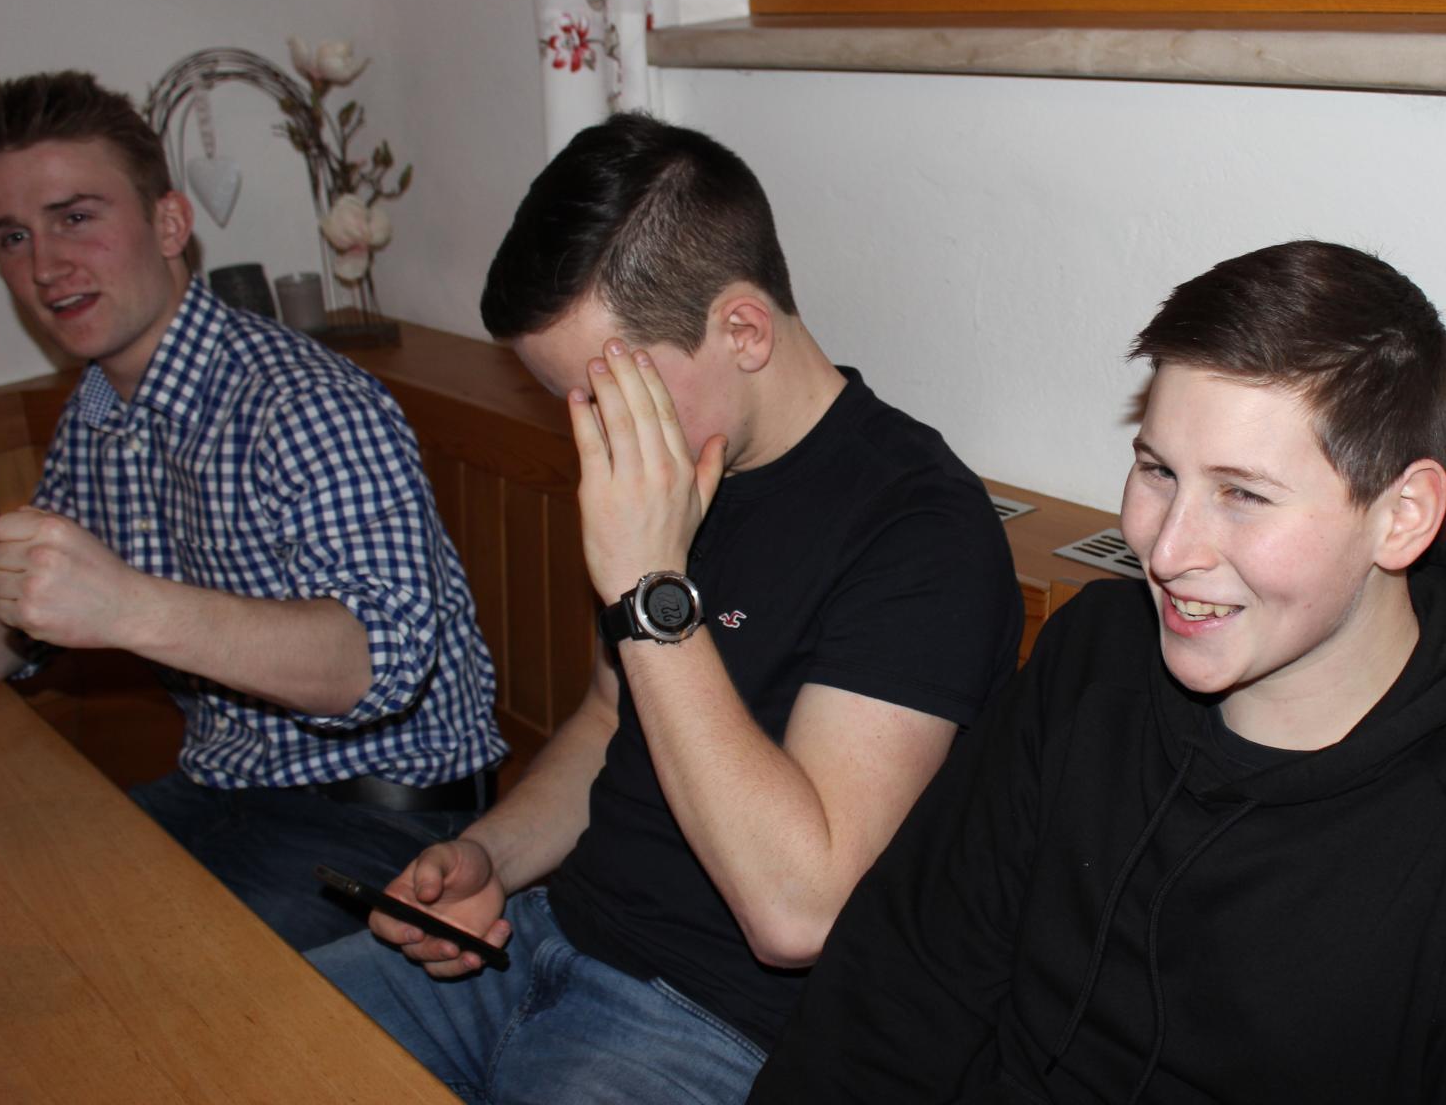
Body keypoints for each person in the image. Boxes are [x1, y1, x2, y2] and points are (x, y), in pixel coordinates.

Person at [749, 241, 1446, 1104]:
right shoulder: (1093, 659)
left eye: (1242, 494)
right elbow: (895, 992)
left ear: (1402, 515)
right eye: (1158, 471)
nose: (1166, 550)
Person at [306, 112, 1024, 1104]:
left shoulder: (922, 529)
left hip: (713, 1029)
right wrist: (489, 857)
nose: (593, 437)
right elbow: (611, 721)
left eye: (608, 396)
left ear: (742, 330)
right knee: (227, 1038)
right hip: (545, 938)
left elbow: (800, 914)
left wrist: (649, 585)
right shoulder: (666, 474)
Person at [0, 71, 505, 951]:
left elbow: (377, 661)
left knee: (114, 969)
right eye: (12, 236)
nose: (44, 266)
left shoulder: (302, 401)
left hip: (396, 821)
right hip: (224, 789)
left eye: (76, 217)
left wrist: (123, 605)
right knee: (35, 917)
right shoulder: (96, 409)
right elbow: (26, 617)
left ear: (169, 225)